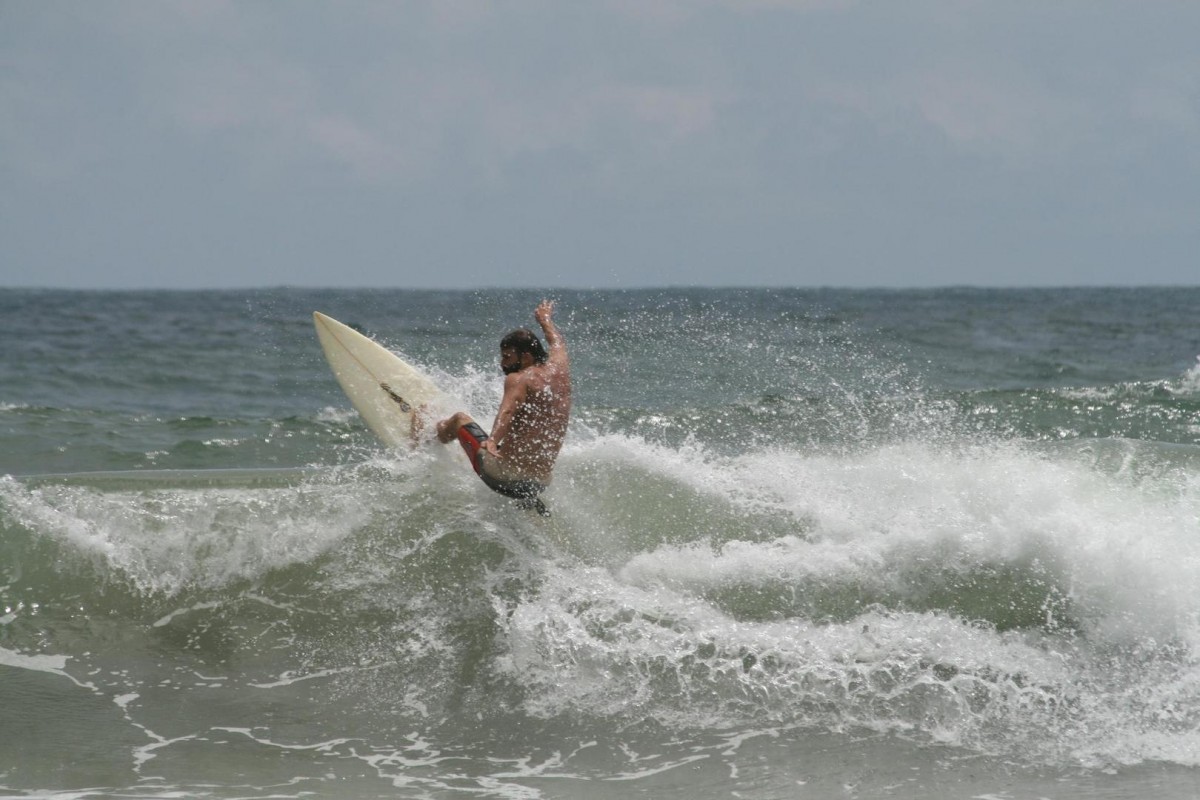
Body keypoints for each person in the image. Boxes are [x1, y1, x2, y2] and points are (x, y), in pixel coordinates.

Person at [436, 300, 571, 515]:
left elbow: (507, 410)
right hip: (539, 483)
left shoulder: (519, 379)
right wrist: (545, 320)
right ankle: (527, 502)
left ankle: (428, 437)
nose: (503, 364)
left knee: (460, 419)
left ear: (526, 356)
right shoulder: (560, 369)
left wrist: (492, 441)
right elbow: (557, 342)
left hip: (503, 478)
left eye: (507, 357)